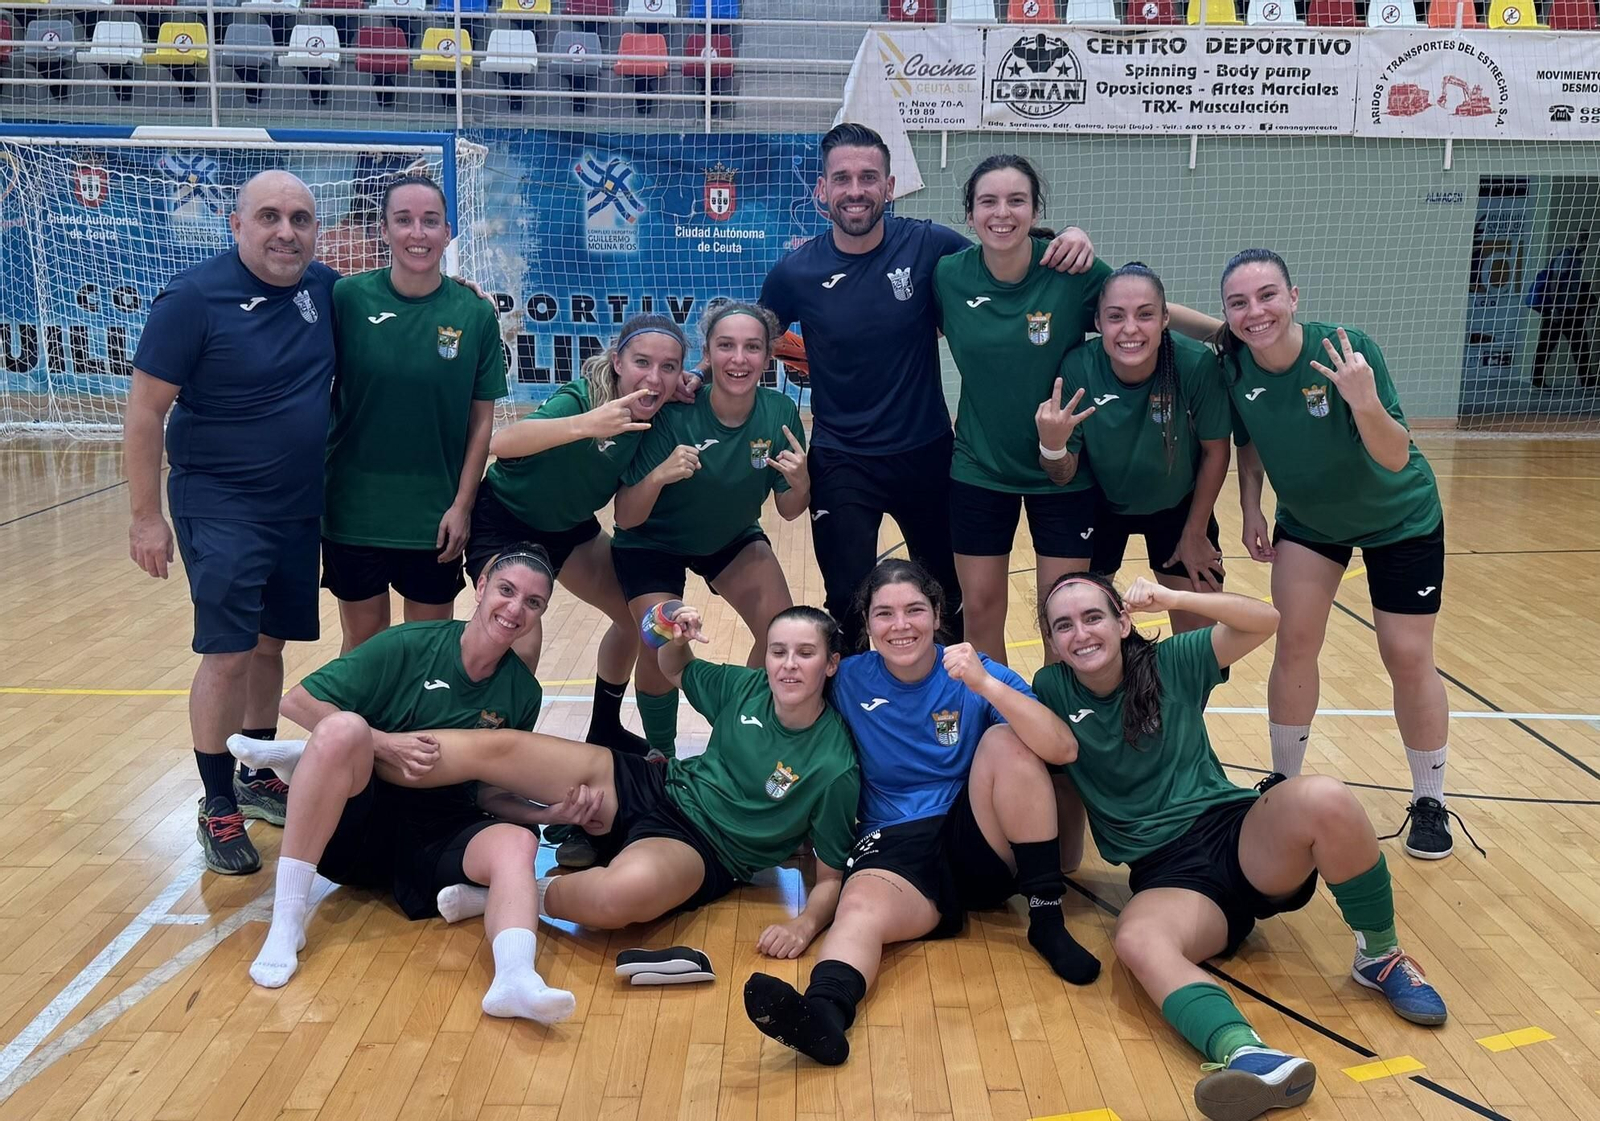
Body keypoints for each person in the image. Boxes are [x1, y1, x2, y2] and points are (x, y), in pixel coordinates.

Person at [1032, 572, 1448, 1121]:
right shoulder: (1051, 688)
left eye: (1093, 617)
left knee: (1324, 796)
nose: (1081, 633)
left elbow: (1266, 621)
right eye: (1064, 625)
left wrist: (1174, 598)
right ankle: (1244, 1052)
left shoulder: (1172, 661)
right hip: (1170, 876)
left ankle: (1381, 956)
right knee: (1136, 939)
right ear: (1052, 641)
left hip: (1236, 834)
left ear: (1123, 621)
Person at [743, 558, 1097, 1068]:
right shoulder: (848, 678)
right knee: (858, 909)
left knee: (1005, 741)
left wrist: (986, 685)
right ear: (866, 625)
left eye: (914, 610)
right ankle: (823, 1015)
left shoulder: (971, 670)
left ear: (937, 615)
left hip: (975, 833)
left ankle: (1045, 917)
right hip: (894, 841)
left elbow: (1062, 748)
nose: (901, 625)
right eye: (884, 614)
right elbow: (782, 705)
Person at [759, 125, 1100, 654]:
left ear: (890, 185)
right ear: (821, 191)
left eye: (869, 177)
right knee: (848, 604)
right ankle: (855, 726)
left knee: (949, 605)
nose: (856, 189)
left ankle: (951, 721)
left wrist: (1064, 236)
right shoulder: (795, 272)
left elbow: (1001, 259)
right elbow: (751, 338)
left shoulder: (929, 245)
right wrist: (700, 377)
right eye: (842, 178)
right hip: (842, 460)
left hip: (928, 455)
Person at [350, 603, 861, 946]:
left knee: (616, 901)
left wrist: (806, 925)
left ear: (832, 664)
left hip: (704, 848)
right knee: (500, 747)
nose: (788, 666)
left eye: (805, 653)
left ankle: (507, 894)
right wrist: (671, 629)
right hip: (651, 784)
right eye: (778, 651)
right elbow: (677, 667)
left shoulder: (835, 765)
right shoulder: (746, 688)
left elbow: (830, 875)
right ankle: (354, 755)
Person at [227, 548, 576, 1024]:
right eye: (507, 591)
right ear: (481, 588)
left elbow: (489, 793)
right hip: (361, 817)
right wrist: (386, 745)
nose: (516, 609)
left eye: (533, 603)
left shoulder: (522, 693)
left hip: (439, 828)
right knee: (343, 729)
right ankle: (287, 921)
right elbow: (298, 701)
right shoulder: (410, 644)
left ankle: (514, 980)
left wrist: (547, 814)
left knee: (517, 842)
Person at [1217, 248, 1463, 860]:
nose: (1256, 312)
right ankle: (1283, 782)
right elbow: (1248, 444)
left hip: (1400, 517)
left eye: (1268, 295)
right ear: (1226, 313)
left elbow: (1395, 456)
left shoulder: (1346, 352)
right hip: (1310, 521)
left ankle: (1430, 800)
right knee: (1295, 640)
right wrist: (1250, 506)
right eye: (1239, 303)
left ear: (1294, 297)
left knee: (1406, 654)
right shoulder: (1232, 364)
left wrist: (1363, 399)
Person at [125, 170, 337, 875]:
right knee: (228, 651)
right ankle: (217, 801)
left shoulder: (324, 290)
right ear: (235, 224)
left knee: (269, 645)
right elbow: (147, 409)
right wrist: (145, 516)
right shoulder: (192, 298)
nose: (286, 231)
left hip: (297, 505)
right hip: (219, 502)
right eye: (270, 217)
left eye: (300, 219)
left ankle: (254, 767)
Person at [933, 156, 1223, 661]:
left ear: (1034, 208)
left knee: (1060, 617)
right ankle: (999, 728)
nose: (1003, 213)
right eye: (988, 201)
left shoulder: (1069, 268)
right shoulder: (949, 277)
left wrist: (1228, 334)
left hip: (1064, 473)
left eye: (1016, 200)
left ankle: (1059, 729)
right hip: (979, 467)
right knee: (979, 612)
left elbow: (1142, 308)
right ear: (970, 214)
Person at [470, 313, 686, 756]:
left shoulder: (655, 416)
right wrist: (586, 424)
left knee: (633, 620)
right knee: (520, 634)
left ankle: (604, 729)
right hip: (505, 520)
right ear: (617, 363)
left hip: (568, 528)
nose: (654, 377)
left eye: (669, 367)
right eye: (642, 362)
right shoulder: (582, 400)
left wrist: (696, 379)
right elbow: (503, 442)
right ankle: (498, 752)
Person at [610, 301, 807, 758]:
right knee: (660, 636)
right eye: (727, 346)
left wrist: (802, 483)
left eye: (752, 348)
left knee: (781, 631)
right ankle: (661, 758)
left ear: (768, 357)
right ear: (708, 353)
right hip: (651, 541)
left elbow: (791, 510)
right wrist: (659, 476)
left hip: (729, 536)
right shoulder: (674, 411)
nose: (739, 359)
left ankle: (741, 735)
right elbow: (625, 517)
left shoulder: (779, 414)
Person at [322, 173, 505, 653]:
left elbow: (481, 421)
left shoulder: (475, 313)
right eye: (403, 220)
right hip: (353, 509)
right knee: (363, 642)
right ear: (384, 231)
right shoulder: (346, 299)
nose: (417, 233)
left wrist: (462, 506)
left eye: (430, 221)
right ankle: (361, 732)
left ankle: (415, 733)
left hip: (435, 515)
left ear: (448, 232)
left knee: (425, 647)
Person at [1060, 262, 1232, 630]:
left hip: (1179, 504)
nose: (1131, 329)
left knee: (1201, 642)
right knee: (1084, 623)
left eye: (1145, 315)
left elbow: (1217, 450)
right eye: (1116, 316)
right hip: (1100, 503)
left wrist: (1196, 531)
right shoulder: (1079, 366)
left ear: (1165, 318)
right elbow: (1063, 468)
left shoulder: (1194, 364)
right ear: (1099, 323)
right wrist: (1051, 446)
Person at [1528, 228, 1597, 390]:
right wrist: (1553, 308)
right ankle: (1537, 379)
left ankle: (1587, 380)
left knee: (1580, 345)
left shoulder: (1576, 259)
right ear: (1573, 240)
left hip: (1571, 311)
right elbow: (1555, 281)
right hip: (1559, 311)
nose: (1584, 243)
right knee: (1546, 345)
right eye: (1582, 239)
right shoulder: (1566, 256)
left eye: (1586, 239)